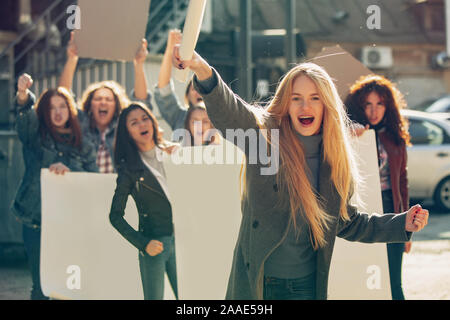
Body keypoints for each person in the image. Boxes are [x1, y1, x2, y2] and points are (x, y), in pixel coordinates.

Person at [172, 48, 429, 300]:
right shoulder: (265, 141)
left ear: (326, 104)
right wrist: (202, 69)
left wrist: (400, 224)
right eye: (296, 98)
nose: (305, 106)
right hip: (260, 286)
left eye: (315, 97)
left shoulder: (335, 159)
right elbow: (233, 114)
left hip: (307, 287)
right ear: (286, 103)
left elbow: (347, 223)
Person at [13, 73, 98, 300]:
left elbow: (94, 179)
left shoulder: (84, 144)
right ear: (43, 112)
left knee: (69, 286)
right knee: (41, 286)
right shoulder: (35, 136)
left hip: (71, 224)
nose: (58, 112)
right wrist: (23, 95)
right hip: (36, 221)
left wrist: (71, 173)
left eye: (62, 106)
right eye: (51, 108)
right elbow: (24, 119)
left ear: (71, 109)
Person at [345, 74, 412, 300]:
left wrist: (407, 230)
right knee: (363, 278)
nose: (374, 111)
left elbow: (402, 182)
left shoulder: (396, 137)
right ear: (359, 106)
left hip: (392, 209)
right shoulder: (351, 134)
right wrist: (348, 134)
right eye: (368, 104)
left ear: (388, 106)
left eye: (380, 104)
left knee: (394, 281)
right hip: (361, 211)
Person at [109, 102, 178, 300]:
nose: (141, 124)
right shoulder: (128, 169)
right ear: (127, 132)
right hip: (155, 244)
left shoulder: (174, 153)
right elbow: (115, 216)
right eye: (134, 122)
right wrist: (143, 243)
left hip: (184, 240)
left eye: (145, 118)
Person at [59, 31, 153, 173]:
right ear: (90, 105)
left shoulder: (123, 126)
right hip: (87, 189)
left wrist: (138, 65)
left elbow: (142, 104)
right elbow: (63, 99)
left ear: (116, 106)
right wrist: (72, 59)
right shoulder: (81, 124)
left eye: (108, 99)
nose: (103, 102)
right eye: (98, 99)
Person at [154, 30, 209, 136]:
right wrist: (170, 49)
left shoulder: (220, 118)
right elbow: (163, 90)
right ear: (187, 95)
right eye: (194, 89)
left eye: (203, 89)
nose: (199, 92)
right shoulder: (179, 116)